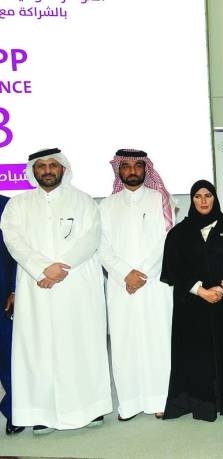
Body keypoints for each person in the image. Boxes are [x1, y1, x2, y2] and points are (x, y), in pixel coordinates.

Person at [0, 148, 111, 434]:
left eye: (53, 165)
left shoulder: (84, 201)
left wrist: (60, 269)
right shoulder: (18, 205)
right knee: (39, 350)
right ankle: (42, 413)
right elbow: (14, 240)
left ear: (63, 168)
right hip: (36, 286)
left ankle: (91, 408)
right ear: (33, 171)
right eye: (41, 166)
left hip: (77, 286)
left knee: (81, 344)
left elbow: (91, 238)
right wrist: (40, 268)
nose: (47, 170)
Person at [161, 180, 223, 421]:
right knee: (196, 355)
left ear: (215, 198)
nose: (203, 201)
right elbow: (174, 268)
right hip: (191, 306)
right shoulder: (178, 233)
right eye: (198, 196)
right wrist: (200, 291)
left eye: (208, 195)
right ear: (191, 200)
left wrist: (221, 289)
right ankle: (199, 403)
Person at [98, 148, 175, 421]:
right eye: (126, 166)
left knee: (158, 340)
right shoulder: (106, 206)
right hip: (121, 287)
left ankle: (160, 399)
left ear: (146, 170)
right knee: (123, 342)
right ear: (119, 170)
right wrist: (123, 275)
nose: (132, 170)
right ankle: (129, 403)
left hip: (154, 284)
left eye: (137, 166)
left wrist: (141, 273)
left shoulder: (160, 199)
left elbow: (167, 241)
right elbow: (102, 247)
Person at [0, 194, 22, 435]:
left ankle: (14, 410)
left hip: (2, 292)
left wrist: (16, 289)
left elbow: (17, 249)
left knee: (7, 357)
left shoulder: (7, 205)